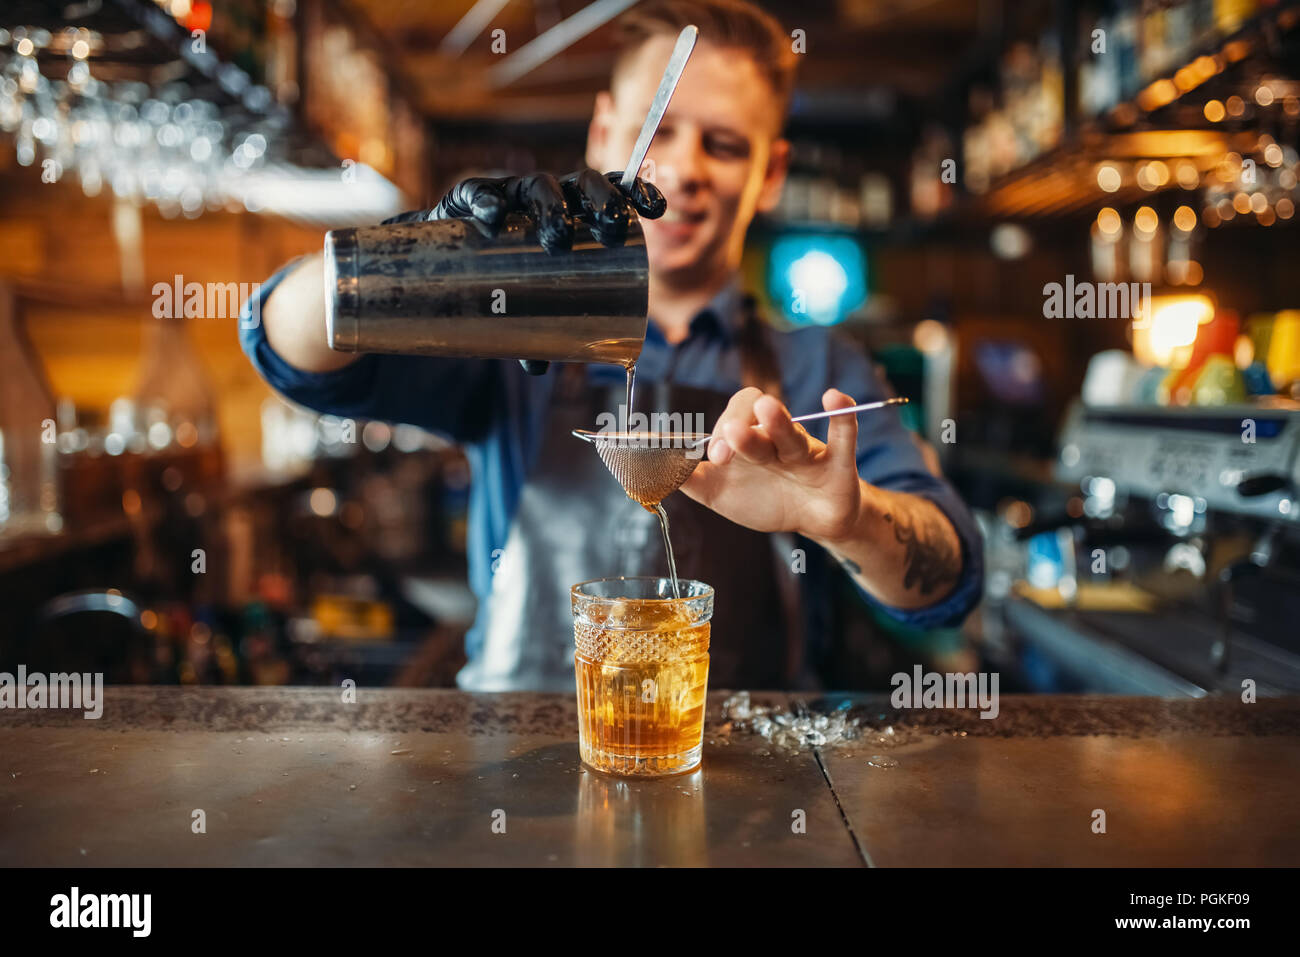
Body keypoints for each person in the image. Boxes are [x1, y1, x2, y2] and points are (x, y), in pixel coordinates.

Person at [239, 0, 983, 692]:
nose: (686, 170)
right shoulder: (512, 327)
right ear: (603, 134)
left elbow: (949, 581)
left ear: (770, 175)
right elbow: (287, 351)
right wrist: (418, 261)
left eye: (724, 145)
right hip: (512, 775)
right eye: (661, 131)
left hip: (739, 784)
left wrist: (849, 520)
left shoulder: (821, 368)